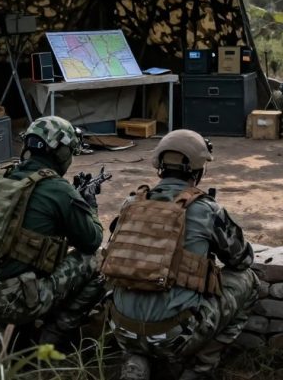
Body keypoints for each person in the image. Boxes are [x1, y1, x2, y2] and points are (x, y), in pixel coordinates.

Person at [104, 129, 257, 380]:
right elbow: (242, 260)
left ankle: (135, 359)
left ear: (159, 168)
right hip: (174, 335)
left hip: (122, 329)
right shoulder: (207, 210)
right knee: (248, 280)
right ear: (198, 171)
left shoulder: (130, 204)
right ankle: (200, 367)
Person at [0, 116, 105, 346]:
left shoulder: (1, 177)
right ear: (62, 153)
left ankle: (8, 329)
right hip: (13, 301)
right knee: (95, 259)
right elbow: (92, 239)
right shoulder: (58, 189)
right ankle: (55, 333)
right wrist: (89, 206)